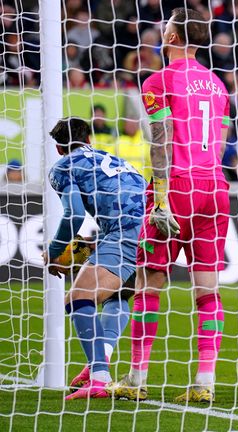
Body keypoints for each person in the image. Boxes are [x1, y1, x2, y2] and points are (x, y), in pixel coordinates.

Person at [107, 8, 231, 404]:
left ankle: (135, 377)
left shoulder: (159, 80)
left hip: (176, 185)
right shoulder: (217, 84)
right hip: (215, 186)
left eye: (165, 29)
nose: (161, 34)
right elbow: (222, 143)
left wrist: (160, 193)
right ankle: (204, 383)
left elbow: (161, 139)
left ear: (174, 38)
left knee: (149, 283)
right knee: (207, 290)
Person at [44, 118, 146, 400]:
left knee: (78, 298)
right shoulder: (111, 157)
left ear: (58, 148)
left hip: (124, 230)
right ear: (89, 139)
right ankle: (96, 365)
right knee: (117, 297)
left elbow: (74, 215)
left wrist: (54, 253)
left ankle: (100, 379)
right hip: (155, 228)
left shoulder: (63, 167)